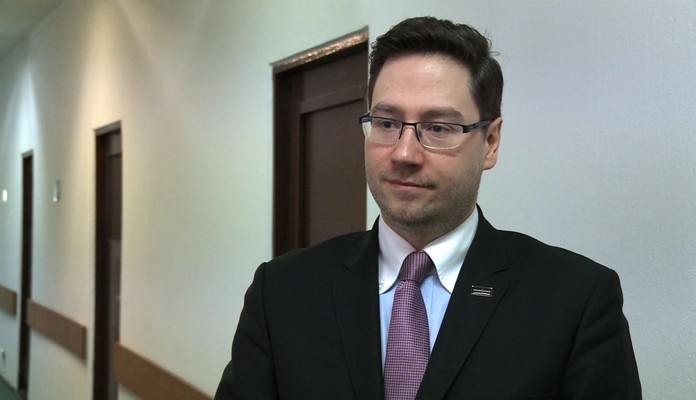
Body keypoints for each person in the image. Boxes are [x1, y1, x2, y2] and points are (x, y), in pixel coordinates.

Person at [215, 16, 641, 400]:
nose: (404, 153)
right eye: (386, 123)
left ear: (491, 142)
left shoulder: (576, 300)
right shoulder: (282, 292)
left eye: (438, 127)